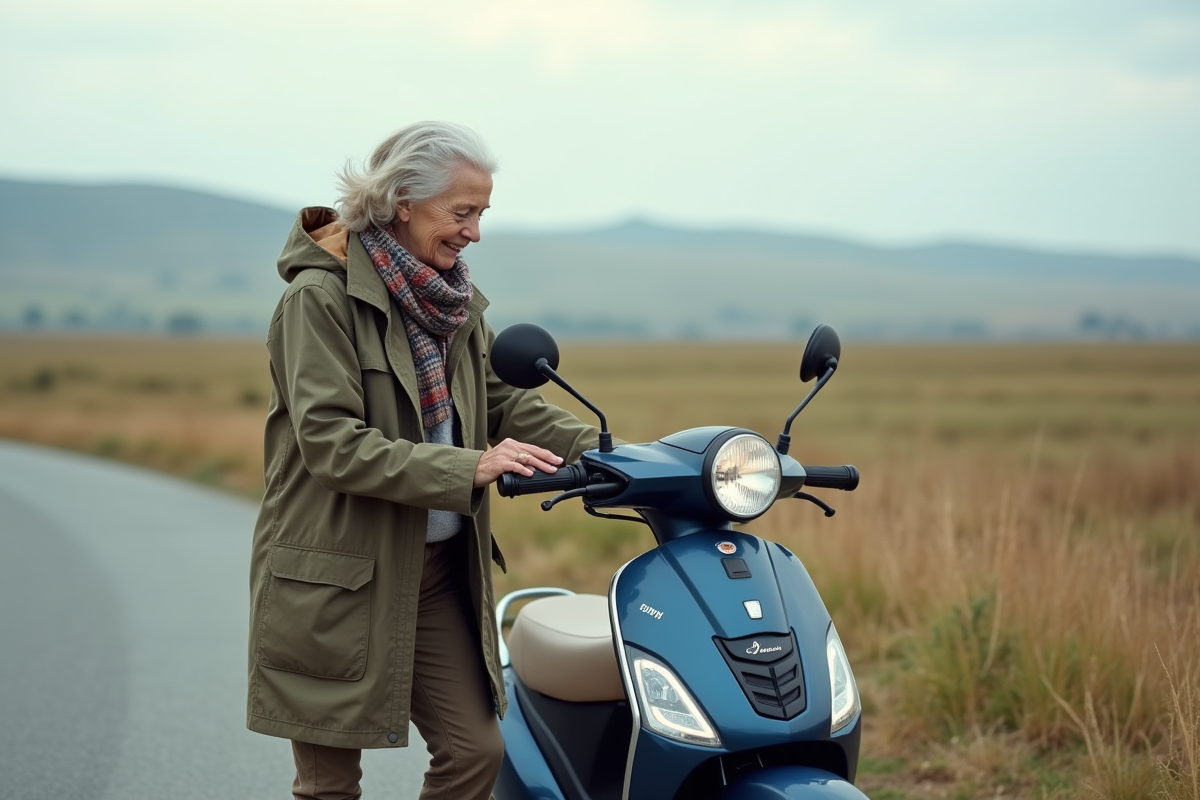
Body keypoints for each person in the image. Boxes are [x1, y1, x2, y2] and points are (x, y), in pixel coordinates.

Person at [246, 121, 603, 800]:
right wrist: (466, 468)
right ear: (403, 201)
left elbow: (504, 404)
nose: (474, 232)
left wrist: (617, 454)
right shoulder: (316, 301)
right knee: (329, 787)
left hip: (437, 574)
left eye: (481, 214)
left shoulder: (453, 301)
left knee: (476, 752)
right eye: (461, 212)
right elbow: (331, 444)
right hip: (336, 580)